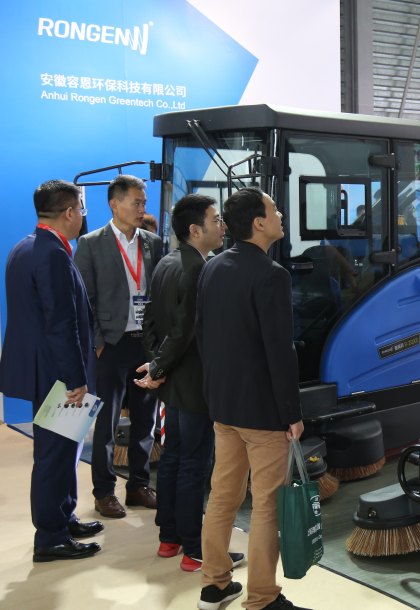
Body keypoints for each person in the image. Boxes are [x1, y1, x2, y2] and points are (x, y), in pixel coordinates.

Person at [195, 187, 309, 610]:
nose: (280, 215)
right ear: (259, 223)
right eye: (274, 209)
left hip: (223, 405)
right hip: (262, 412)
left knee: (222, 495)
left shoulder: (212, 266)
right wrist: (292, 413)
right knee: (265, 505)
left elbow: (202, 335)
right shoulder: (271, 274)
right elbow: (280, 351)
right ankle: (262, 598)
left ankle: (214, 585)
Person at [135, 194, 241, 572]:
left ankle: (170, 538)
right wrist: (158, 367)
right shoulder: (200, 269)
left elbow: (149, 319)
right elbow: (185, 330)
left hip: (174, 381)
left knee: (174, 459)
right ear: (196, 230)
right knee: (194, 465)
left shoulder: (167, 261)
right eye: (216, 220)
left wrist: (157, 364)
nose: (222, 226)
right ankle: (196, 549)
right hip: (194, 382)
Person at [0, 180, 103, 562]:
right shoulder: (53, 254)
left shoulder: (25, 246)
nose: (83, 217)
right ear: (70, 212)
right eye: (81, 210)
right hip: (57, 373)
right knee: (53, 454)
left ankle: (63, 516)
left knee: (64, 449)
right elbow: (61, 323)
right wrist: (76, 379)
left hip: (43, 367)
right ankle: (50, 536)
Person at [74, 174, 163, 519]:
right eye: (136, 202)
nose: (142, 209)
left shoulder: (152, 243)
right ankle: (104, 492)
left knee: (145, 421)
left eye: (144, 203)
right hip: (111, 345)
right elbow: (85, 300)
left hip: (146, 345)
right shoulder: (90, 244)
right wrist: (98, 343)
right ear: (114, 204)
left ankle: (138, 486)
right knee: (107, 423)